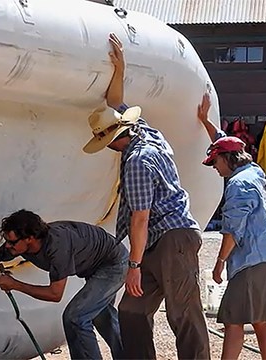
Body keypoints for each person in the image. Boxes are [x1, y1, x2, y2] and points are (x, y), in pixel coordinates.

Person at [82, 33, 210, 359]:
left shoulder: (138, 162)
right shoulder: (146, 132)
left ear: (115, 139)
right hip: (161, 239)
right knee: (132, 311)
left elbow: (141, 217)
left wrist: (134, 264)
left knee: (183, 314)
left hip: (168, 238)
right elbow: (115, 105)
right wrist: (119, 68)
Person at [0, 209, 128, 360]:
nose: (8, 247)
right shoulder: (17, 247)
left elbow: (55, 294)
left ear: (30, 238)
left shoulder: (57, 247)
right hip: (95, 265)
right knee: (102, 317)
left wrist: (15, 284)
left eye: (12, 242)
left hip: (112, 264)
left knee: (75, 316)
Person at [198, 95, 266, 360]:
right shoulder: (253, 170)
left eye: (215, 162)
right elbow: (224, 140)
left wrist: (219, 263)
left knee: (233, 321)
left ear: (228, 159)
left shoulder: (237, 185)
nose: (215, 168)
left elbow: (232, 229)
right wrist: (205, 122)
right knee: (261, 320)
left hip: (249, 262)